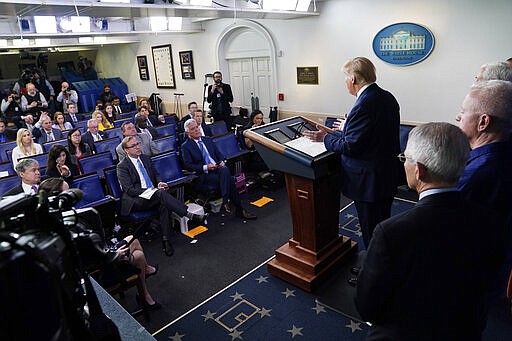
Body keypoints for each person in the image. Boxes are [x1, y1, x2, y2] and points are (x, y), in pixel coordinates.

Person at [355, 122, 502, 340]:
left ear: (420, 170)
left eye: (405, 159)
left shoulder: (391, 233)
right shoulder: (491, 220)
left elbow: (367, 306)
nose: (403, 164)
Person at [304, 57, 401, 249]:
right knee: (382, 226)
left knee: (371, 228)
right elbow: (373, 136)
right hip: (385, 174)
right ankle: (380, 264)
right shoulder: (386, 96)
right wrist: (346, 129)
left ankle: (374, 273)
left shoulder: (364, 103)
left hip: (369, 181)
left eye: (346, 79)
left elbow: (350, 146)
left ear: (354, 79)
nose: (345, 83)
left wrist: (324, 137)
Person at [456, 80, 512, 295]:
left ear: (483, 122)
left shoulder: (476, 173)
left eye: (463, 111)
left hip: (470, 273)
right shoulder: (501, 155)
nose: (457, 117)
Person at [117, 136, 207, 256]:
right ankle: (189, 215)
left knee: (163, 204)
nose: (137, 147)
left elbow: (156, 174)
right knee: (160, 194)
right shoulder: (122, 166)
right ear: (126, 150)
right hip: (136, 199)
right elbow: (129, 190)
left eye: (137, 144)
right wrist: (151, 190)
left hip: (154, 195)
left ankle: (166, 241)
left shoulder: (145, 158)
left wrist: (159, 182)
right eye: (133, 146)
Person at [181, 119, 256, 220]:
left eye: (197, 127)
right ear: (187, 132)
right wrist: (206, 167)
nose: (196, 130)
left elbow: (219, 155)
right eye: (193, 129)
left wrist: (222, 161)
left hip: (217, 169)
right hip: (205, 174)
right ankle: (238, 209)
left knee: (224, 169)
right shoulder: (186, 146)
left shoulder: (207, 139)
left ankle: (226, 200)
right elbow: (188, 165)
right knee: (228, 178)